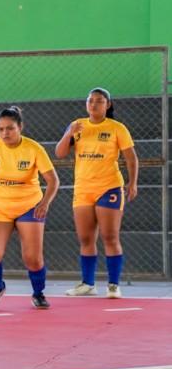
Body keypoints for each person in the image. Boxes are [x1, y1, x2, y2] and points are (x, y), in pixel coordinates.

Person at [55, 88, 137, 299]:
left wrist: (132, 183)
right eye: (90, 101)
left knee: (110, 236)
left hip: (109, 186)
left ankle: (113, 285)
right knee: (85, 238)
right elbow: (60, 153)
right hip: (83, 189)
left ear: (107, 104)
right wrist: (68, 133)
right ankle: (88, 284)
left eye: (99, 101)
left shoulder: (117, 128)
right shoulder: (77, 125)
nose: (93, 105)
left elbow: (131, 158)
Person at [0, 106, 58, 310]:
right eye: (1, 129)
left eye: (10, 128)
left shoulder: (34, 148)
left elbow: (53, 181)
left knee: (32, 259)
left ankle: (38, 293)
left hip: (29, 206)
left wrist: (44, 202)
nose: (5, 133)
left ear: (20, 127)